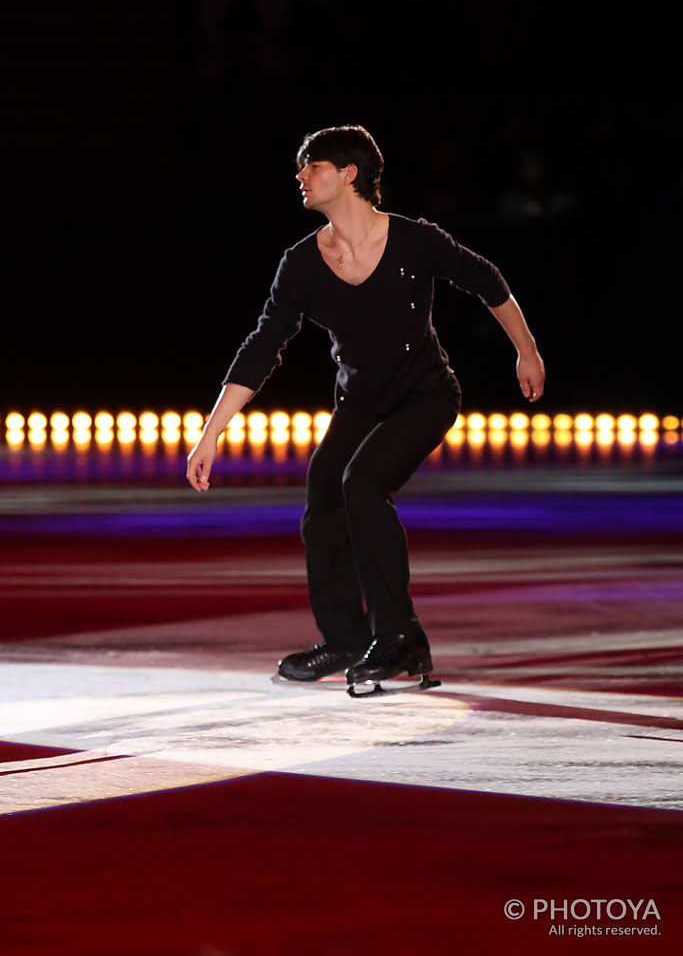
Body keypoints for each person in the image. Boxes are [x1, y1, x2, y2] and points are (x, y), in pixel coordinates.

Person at [187, 124, 545, 688]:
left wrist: (526, 350)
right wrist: (211, 433)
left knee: (363, 484)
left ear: (349, 173)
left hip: (426, 394)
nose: (301, 176)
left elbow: (486, 279)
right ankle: (347, 641)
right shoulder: (302, 263)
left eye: (313, 165)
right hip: (360, 405)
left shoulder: (413, 240)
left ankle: (399, 637)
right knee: (324, 500)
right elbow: (262, 346)